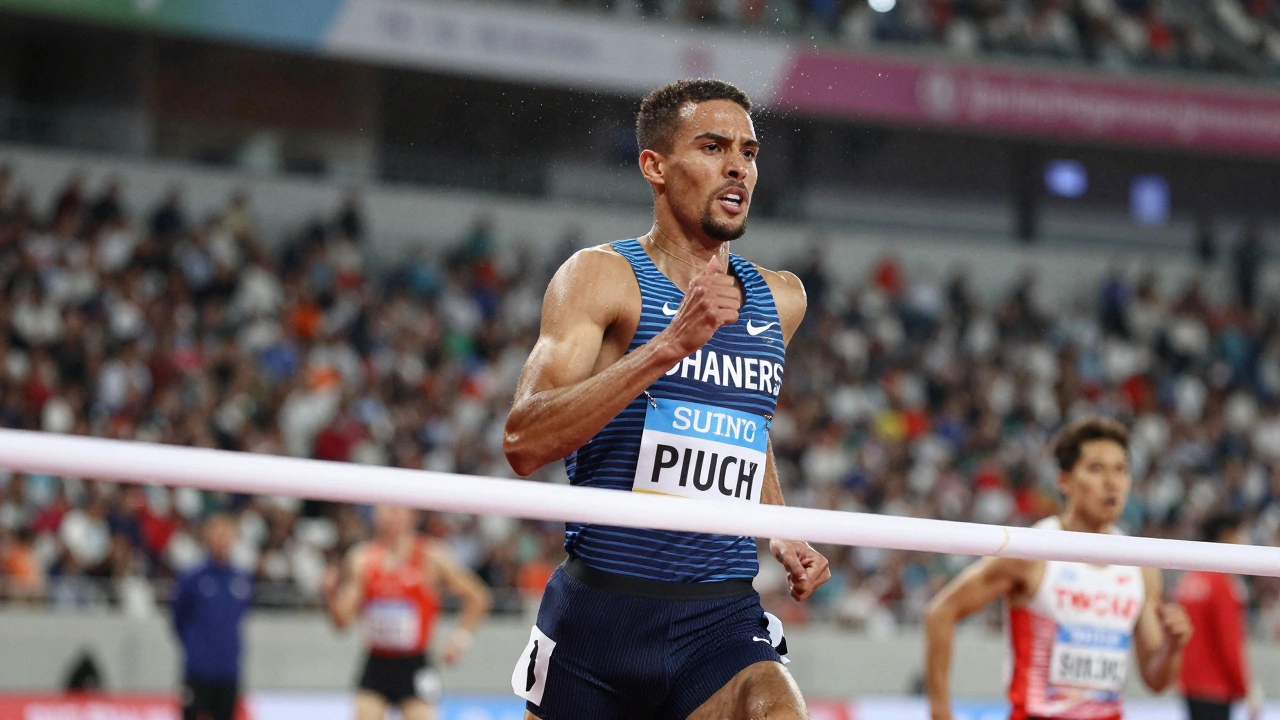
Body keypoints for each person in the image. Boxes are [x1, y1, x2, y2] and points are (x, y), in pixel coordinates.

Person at [503, 78, 831, 720]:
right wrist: (666, 346)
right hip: (601, 615)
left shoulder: (782, 298)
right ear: (654, 166)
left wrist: (781, 525)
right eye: (712, 147)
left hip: (721, 617)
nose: (738, 165)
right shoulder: (600, 277)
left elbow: (742, 420)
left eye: (750, 151)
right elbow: (523, 441)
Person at [924, 417, 1194, 720]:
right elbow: (940, 613)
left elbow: (1156, 681)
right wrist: (940, 712)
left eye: (1121, 470)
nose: (1112, 483)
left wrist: (1172, 647)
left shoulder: (1140, 566)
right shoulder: (1032, 553)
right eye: (1096, 469)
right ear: (1064, 480)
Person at [321, 505, 491, 720]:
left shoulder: (431, 556)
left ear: (412, 515)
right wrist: (329, 595)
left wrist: (460, 640)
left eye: (395, 510)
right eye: (383, 510)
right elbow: (341, 623)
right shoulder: (362, 559)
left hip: (415, 664)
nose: (387, 516)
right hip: (376, 663)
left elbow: (478, 597)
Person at [1176, 512, 1263, 720]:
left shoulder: (1190, 579)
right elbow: (1229, 641)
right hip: (1216, 686)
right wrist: (1246, 688)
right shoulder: (1222, 584)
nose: (1244, 542)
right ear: (1226, 536)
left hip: (1190, 682)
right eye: (1239, 536)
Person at [171, 513, 253, 720]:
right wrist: (195, 646)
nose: (222, 539)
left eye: (227, 533)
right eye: (217, 533)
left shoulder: (241, 580)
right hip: (198, 670)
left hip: (228, 671)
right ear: (206, 537)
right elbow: (178, 619)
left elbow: (241, 615)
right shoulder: (192, 577)